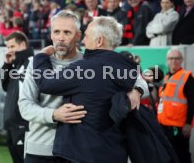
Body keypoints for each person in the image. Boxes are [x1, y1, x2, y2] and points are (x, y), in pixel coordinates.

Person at [19, 11, 148, 163]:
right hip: (41, 149)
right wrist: (53, 114)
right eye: (56, 32)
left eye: (67, 32)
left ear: (78, 36)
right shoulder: (36, 63)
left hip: (75, 153)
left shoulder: (92, 63)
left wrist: (137, 91)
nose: (61, 38)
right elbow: (25, 106)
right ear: (51, 34)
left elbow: (141, 81)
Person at [157, 48, 194, 163]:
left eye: (177, 58)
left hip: (179, 127)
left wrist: (188, 124)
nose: (174, 61)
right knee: (168, 156)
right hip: (164, 125)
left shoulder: (187, 77)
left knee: (181, 155)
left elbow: (191, 102)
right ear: (167, 61)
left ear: (182, 60)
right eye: (171, 58)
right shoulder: (166, 77)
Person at [1, 31, 33, 163]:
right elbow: (5, 86)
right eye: (8, 47)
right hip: (12, 124)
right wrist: (6, 65)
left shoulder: (32, 63)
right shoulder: (17, 65)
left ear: (23, 45)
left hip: (22, 124)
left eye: (12, 47)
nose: (9, 51)